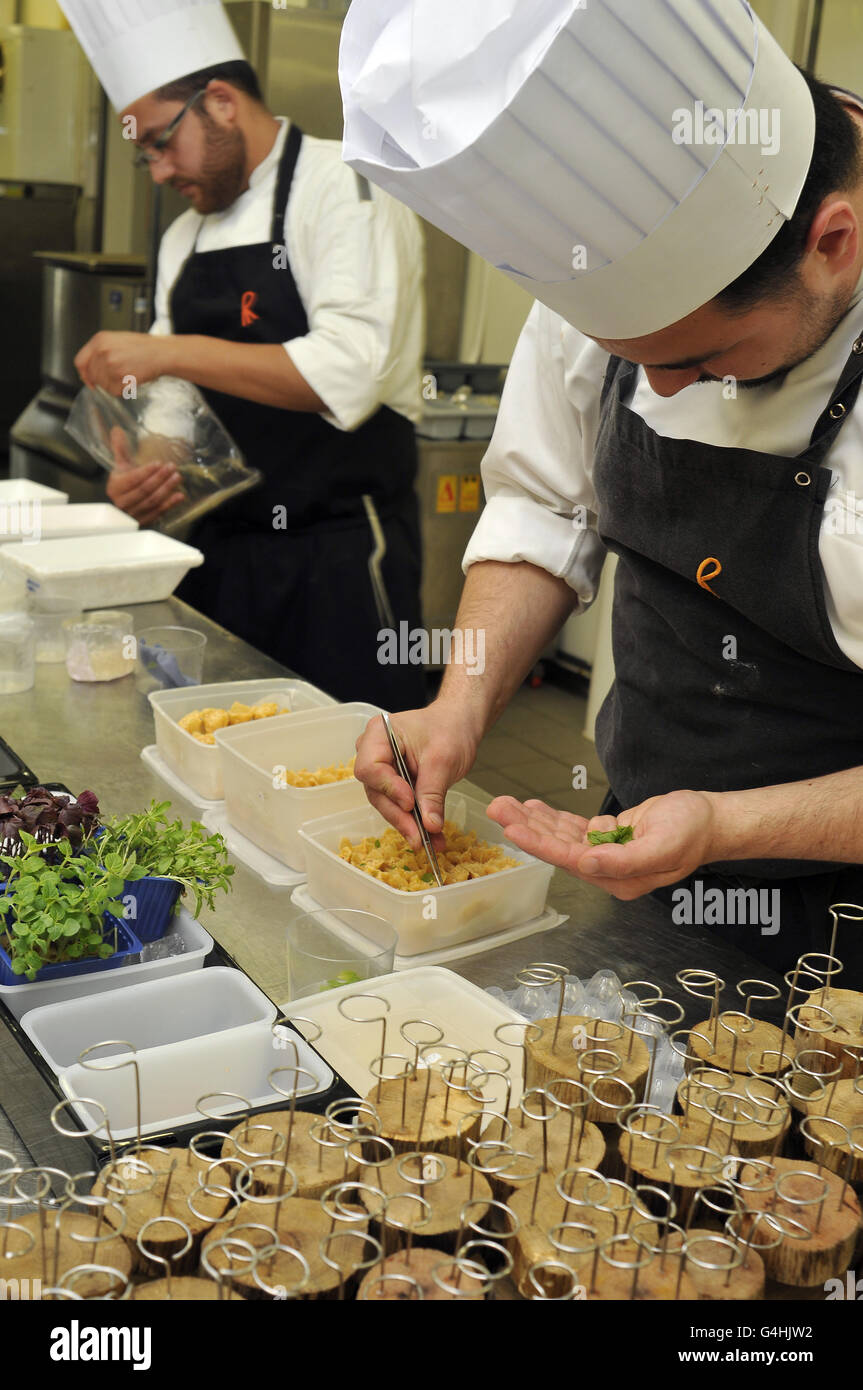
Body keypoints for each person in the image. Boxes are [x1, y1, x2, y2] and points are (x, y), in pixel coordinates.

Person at [343, 0, 863, 981]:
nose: (655, 392)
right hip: (658, 863)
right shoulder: (609, 284)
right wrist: (455, 708)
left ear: (830, 244)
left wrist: (724, 823)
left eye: (698, 358)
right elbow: (545, 504)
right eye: (633, 360)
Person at [61, 0, 427, 709]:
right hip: (220, 556)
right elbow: (178, 410)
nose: (158, 172)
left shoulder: (343, 187)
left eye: (163, 143)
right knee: (217, 757)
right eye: (145, 156)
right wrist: (148, 474)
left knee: (355, 773)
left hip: (341, 561)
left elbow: (345, 372)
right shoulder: (183, 240)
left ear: (221, 103)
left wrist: (169, 350)